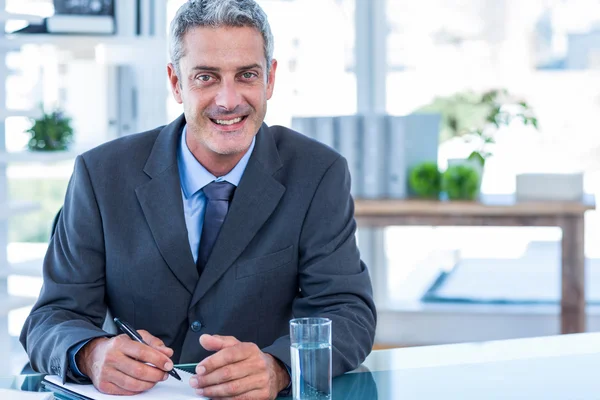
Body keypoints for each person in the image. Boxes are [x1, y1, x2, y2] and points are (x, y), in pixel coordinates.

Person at [20, 0, 377, 398]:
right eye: (206, 77)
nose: (228, 100)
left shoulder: (317, 173)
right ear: (176, 83)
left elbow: (348, 313)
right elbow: (51, 317)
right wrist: (91, 353)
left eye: (247, 75)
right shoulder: (101, 175)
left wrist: (278, 368)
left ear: (270, 79)